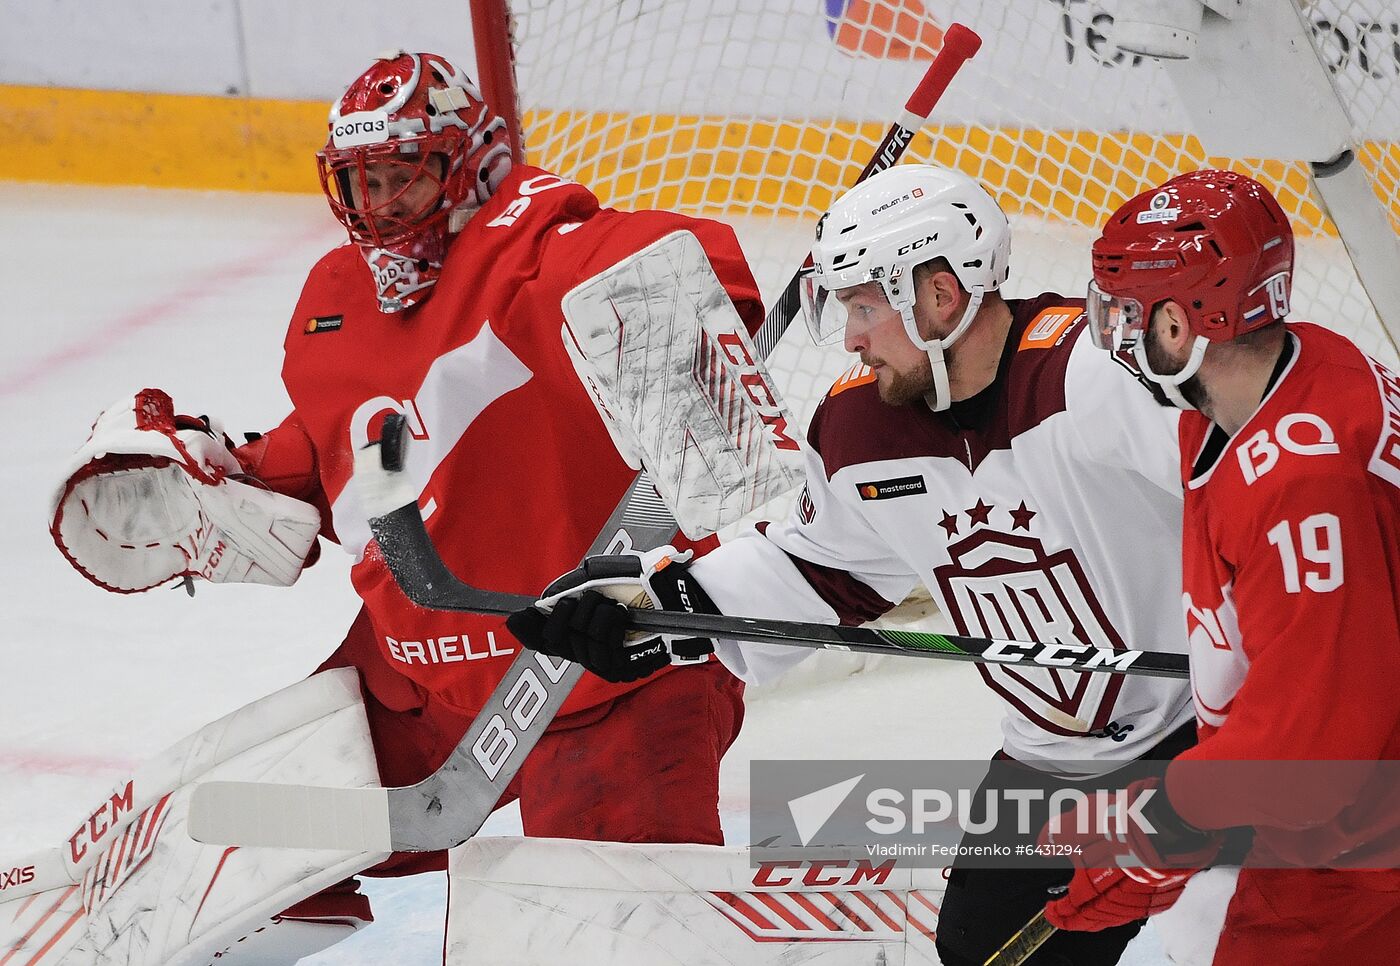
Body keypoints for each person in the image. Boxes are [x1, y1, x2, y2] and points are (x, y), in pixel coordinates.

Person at [51, 51, 757, 960]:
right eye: (360, 182)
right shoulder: (334, 299)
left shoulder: (554, 251)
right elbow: (341, 437)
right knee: (233, 836)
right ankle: (290, 914)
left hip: (604, 679)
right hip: (425, 679)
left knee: (615, 937)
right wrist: (242, 477)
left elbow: (705, 265)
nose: (377, 207)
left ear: (466, 166)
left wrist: (706, 316)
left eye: (401, 177)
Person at [506, 162, 1197, 966]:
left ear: (939, 296)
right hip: (1053, 757)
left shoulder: (1102, 376)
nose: (851, 337)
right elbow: (820, 573)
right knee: (982, 951)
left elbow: (1258, 500)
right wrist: (666, 608)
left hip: (1214, 733)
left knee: (1260, 936)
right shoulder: (861, 428)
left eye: (866, 306)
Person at [1039, 169, 1400, 962]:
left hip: (1357, 862)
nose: (1112, 339)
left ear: (1179, 326)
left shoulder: (1305, 486)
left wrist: (1164, 822)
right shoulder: (1304, 372)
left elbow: (1317, 755)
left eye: (1125, 315)